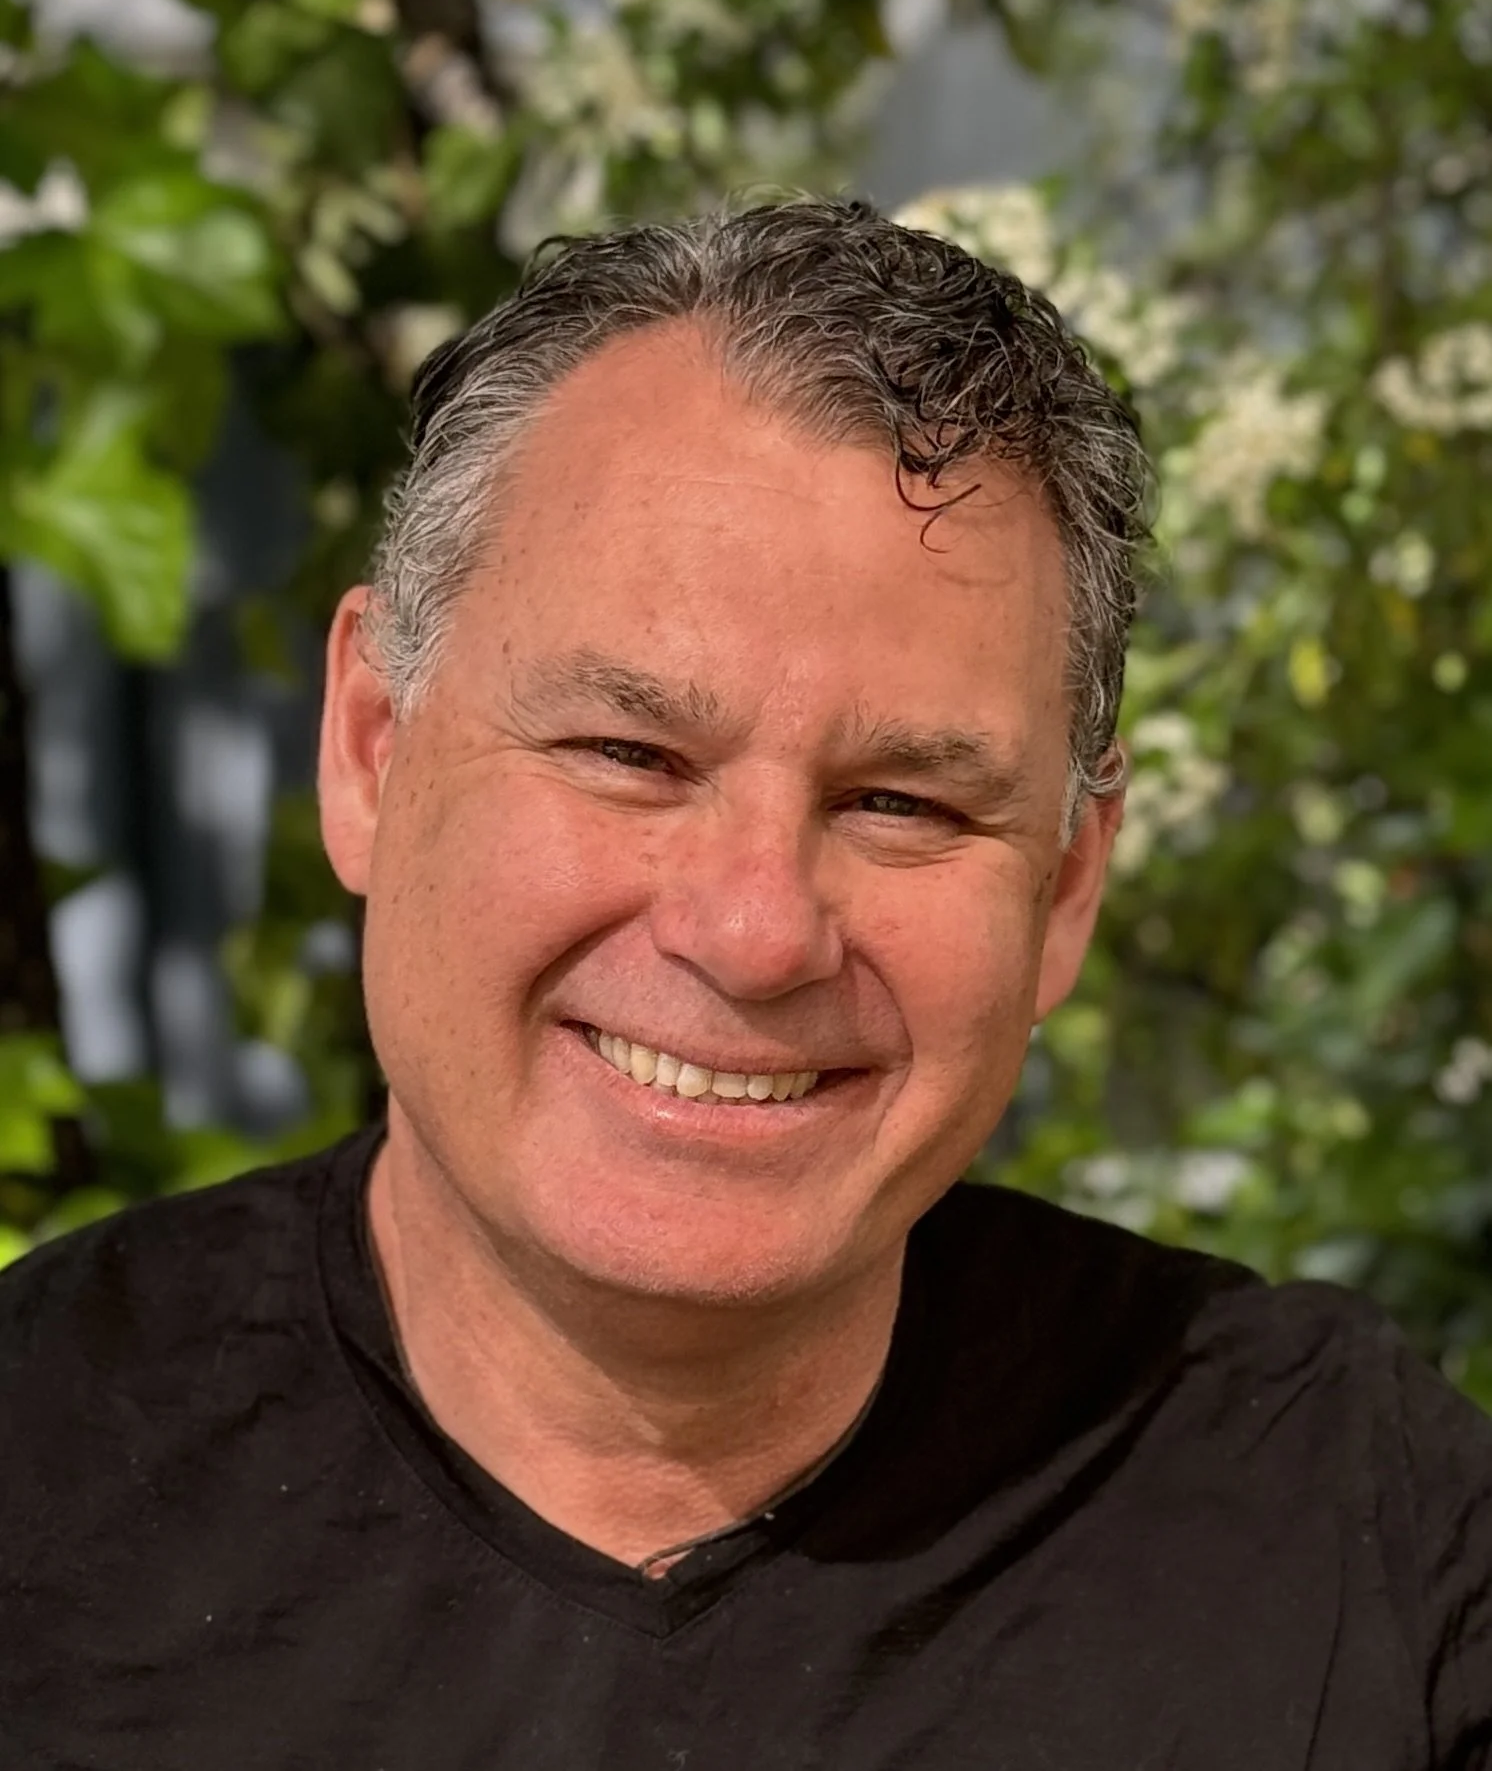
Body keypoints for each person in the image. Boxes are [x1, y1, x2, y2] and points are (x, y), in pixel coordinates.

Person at [1, 199, 1488, 1770]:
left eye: (903, 804)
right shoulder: (40, 1498)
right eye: (631, 755)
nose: (759, 929)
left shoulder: (1338, 1541)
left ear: (1065, 884)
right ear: (373, 751)